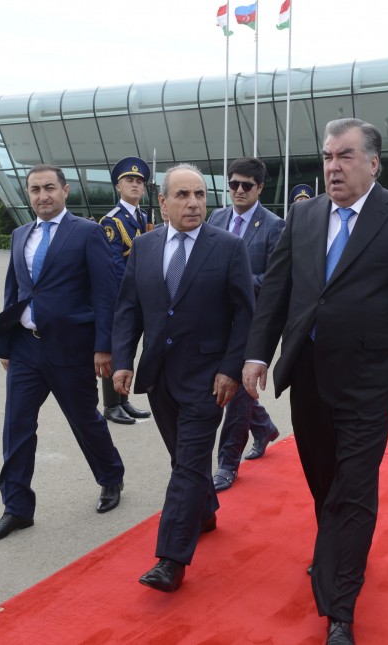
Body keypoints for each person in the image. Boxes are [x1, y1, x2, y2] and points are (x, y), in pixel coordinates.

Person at [242, 118, 388, 645]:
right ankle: (337, 551)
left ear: (373, 163)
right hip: (308, 375)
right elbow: (277, 293)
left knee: (354, 487)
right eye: (328, 157)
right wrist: (256, 355)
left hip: (372, 380)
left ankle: (340, 609)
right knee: (323, 479)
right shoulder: (304, 214)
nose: (333, 166)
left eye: (345, 156)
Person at [112, 163, 254, 592]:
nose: (193, 204)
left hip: (208, 378)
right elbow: (128, 309)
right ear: (163, 201)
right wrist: (123, 359)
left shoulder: (228, 247)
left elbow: (245, 315)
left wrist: (230, 369)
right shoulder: (144, 246)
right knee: (183, 461)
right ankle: (205, 511)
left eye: (199, 196)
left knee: (189, 463)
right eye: (183, 196)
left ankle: (170, 559)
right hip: (160, 377)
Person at [0, 164, 125, 543]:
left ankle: (111, 477)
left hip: (71, 349)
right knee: (17, 427)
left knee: (83, 419)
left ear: (65, 191)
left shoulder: (88, 233)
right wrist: (7, 342)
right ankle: (17, 508)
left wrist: (103, 347)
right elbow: (15, 291)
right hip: (26, 347)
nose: (42, 196)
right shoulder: (20, 235)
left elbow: (106, 295)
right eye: (35, 190)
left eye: (49, 188)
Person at [207, 157, 285, 492]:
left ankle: (227, 463)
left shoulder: (273, 226)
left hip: (251, 322)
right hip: (214, 319)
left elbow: (276, 277)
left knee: (235, 395)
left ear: (260, 188)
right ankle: (264, 427)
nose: (238, 191)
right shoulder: (216, 217)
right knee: (230, 386)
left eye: (246, 186)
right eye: (233, 184)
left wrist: (234, 280)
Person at [98, 156, 153, 425]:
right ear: (118, 186)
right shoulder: (112, 222)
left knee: (129, 347)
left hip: (141, 296)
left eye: (139, 181)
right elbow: (114, 267)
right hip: (120, 297)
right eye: (129, 180)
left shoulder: (144, 218)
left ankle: (123, 399)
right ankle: (110, 405)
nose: (135, 185)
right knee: (116, 346)